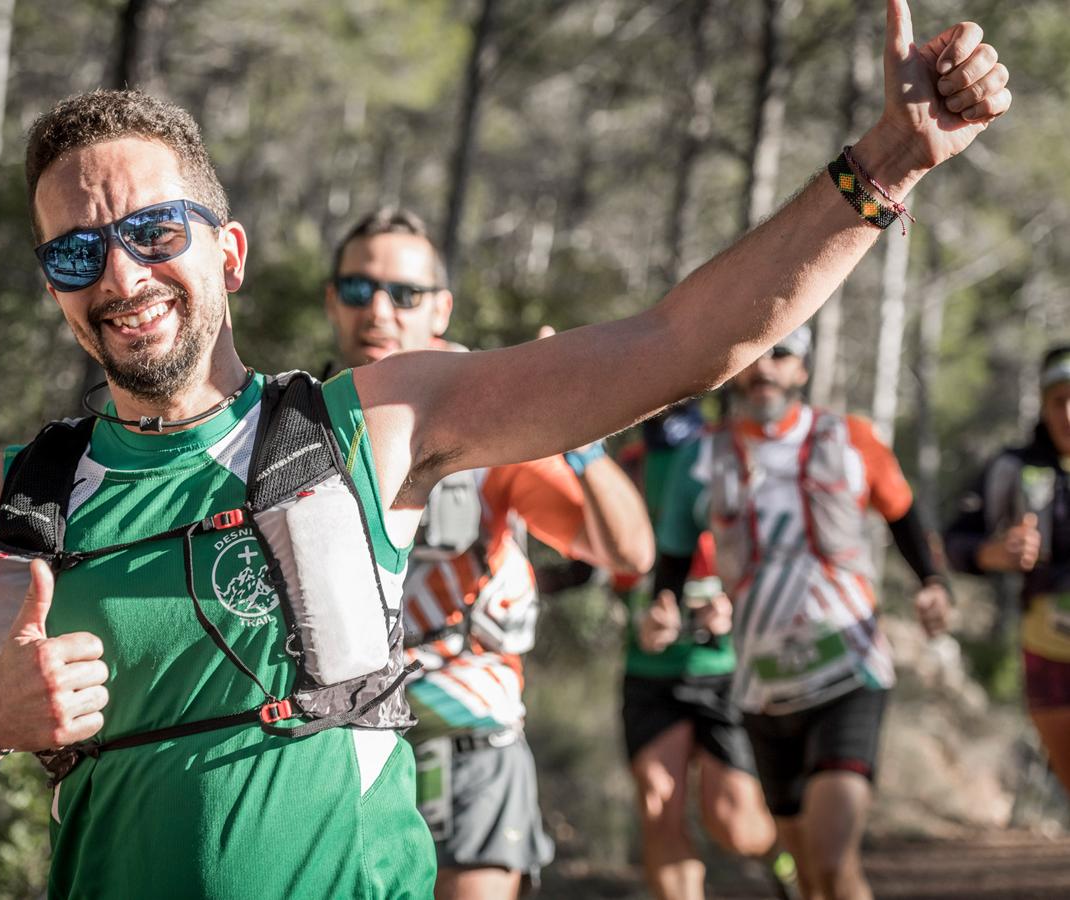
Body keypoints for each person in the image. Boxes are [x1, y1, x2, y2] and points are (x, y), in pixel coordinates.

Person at [0, 4, 1009, 897]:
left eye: (150, 232)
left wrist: (886, 167)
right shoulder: (23, 493)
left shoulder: (367, 423)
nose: (122, 279)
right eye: (77, 256)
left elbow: (680, 343)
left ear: (228, 252)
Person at [324, 208, 654, 899]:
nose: (379, 310)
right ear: (334, 300)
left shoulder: (486, 426)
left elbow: (627, 550)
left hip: (466, 738)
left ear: (440, 309)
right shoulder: (295, 430)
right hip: (336, 749)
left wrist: (575, 424)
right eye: (358, 290)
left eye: (405, 294)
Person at [648, 325, 954, 900]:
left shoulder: (850, 439)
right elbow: (672, 560)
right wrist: (663, 611)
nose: (764, 368)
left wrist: (933, 584)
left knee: (833, 858)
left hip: (850, 674)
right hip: (764, 689)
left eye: (781, 354)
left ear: (802, 371)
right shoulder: (702, 459)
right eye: (752, 355)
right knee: (809, 874)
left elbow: (906, 518)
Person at [613, 404, 783, 900]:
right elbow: (598, 562)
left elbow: (772, 550)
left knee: (732, 823)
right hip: (649, 667)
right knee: (657, 803)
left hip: (722, 669)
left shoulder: (724, 455)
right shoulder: (628, 464)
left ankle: (786, 855)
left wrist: (734, 603)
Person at [944, 345, 1070, 798]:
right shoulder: (1012, 468)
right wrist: (992, 554)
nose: (1069, 412)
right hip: (1048, 648)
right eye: (1059, 400)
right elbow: (954, 542)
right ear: (1043, 402)